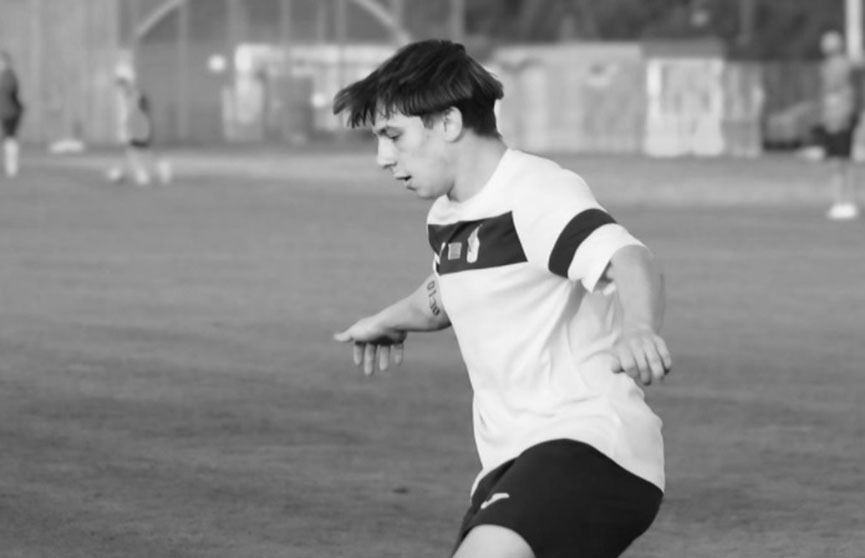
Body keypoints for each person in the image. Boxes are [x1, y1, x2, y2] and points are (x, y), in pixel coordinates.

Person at [332, 40, 671, 558]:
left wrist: (639, 328)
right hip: (513, 461)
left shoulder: (534, 192)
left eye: (393, 135)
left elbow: (628, 257)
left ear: (448, 122)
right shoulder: (449, 216)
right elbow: (448, 290)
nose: (383, 158)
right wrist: (388, 320)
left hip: (589, 444)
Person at [818, 30, 861, 220]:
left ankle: (845, 202)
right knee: (838, 162)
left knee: (841, 161)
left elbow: (836, 90)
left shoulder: (841, 66)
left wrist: (842, 116)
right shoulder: (832, 65)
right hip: (834, 119)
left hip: (840, 119)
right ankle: (841, 201)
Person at [107, 68, 171, 186]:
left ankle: (144, 173)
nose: (121, 86)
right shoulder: (128, 95)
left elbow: (137, 112)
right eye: (120, 83)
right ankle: (132, 172)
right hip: (135, 127)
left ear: (129, 81)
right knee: (134, 150)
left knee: (140, 150)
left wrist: (128, 128)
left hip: (140, 126)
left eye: (123, 82)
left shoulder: (136, 94)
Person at [0, 51, 24, 178]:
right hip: (7, 111)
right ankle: (10, 167)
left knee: (10, 138)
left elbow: (12, 92)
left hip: (9, 112)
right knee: (8, 138)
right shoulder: (5, 76)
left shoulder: (8, 76)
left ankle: (11, 167)